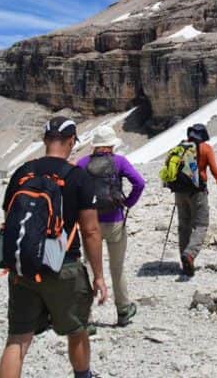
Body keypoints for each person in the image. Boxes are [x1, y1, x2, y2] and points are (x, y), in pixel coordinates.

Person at [0, 116, 108, 378]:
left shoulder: (22, 173)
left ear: (45, 140)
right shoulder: (78, 177)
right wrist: (99, 276)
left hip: (24, 267)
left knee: (18, 339)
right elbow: (91, 230)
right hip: (64, 266)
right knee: (77, 329)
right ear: (71, 141)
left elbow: (10, 219)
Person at [76, 125, 145, 327]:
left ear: (95, 146)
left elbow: (74, 190)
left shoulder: (82, 164)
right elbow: (139, 183)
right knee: (117, 267)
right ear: (111, 145)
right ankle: (123, 310)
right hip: (115, 220)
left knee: (88, 267)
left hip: (90, 224)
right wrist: (127, 203)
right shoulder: (119, 161)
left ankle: (86, 317)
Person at [174, 123, 217, 277]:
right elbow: (215, 170)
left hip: (179, 191)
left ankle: (185, 263)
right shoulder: (205, 148)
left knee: (184, 226)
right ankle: (190, 254)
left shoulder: (180, 147)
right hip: (197, 192)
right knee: (201, 224)